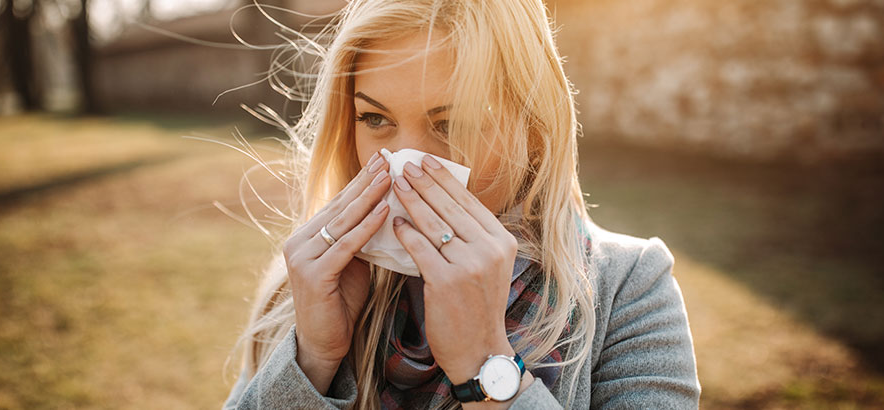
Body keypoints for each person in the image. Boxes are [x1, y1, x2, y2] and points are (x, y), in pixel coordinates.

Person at [223, 0, 700, 408]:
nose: (406, 167)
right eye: (374, 118)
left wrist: (484, 363)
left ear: (532, 130)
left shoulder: (630, 289)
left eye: (450, 124)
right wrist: (312, 359)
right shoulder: (306, 283)